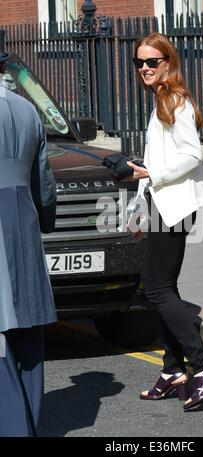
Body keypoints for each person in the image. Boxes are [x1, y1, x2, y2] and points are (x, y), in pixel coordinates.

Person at [127, 32, 203, 411]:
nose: (145, 69)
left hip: (174, 207)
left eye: (152, 62)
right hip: (160, 205)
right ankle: (173, 371)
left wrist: (150, 175)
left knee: (157, 291)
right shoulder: (160, 100)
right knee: (163, 288)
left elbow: (192, 157)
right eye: (139, 63)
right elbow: (154, 161)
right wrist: (138, 208)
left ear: (168, 63)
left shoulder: (176, 100)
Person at [0, 36, 57, 436]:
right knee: (27, 333)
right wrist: (44, 220)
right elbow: (45, 185)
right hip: (24, 220)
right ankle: (30, 425)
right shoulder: (27, 109)